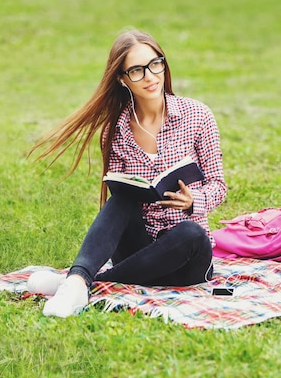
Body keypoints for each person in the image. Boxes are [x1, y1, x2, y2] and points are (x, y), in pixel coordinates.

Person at [27, 29, 227, 318]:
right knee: (121, 199)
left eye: (155, 64)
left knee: (193, 233)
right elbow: (118, 203)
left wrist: (192, 200)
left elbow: (219, 186)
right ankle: (77, 281)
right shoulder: (116, 129)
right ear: (122, 79)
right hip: (137, 251)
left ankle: (79, 281)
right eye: (137, 70)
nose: (150, 76)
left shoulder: (198, 116)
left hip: (185, 259)